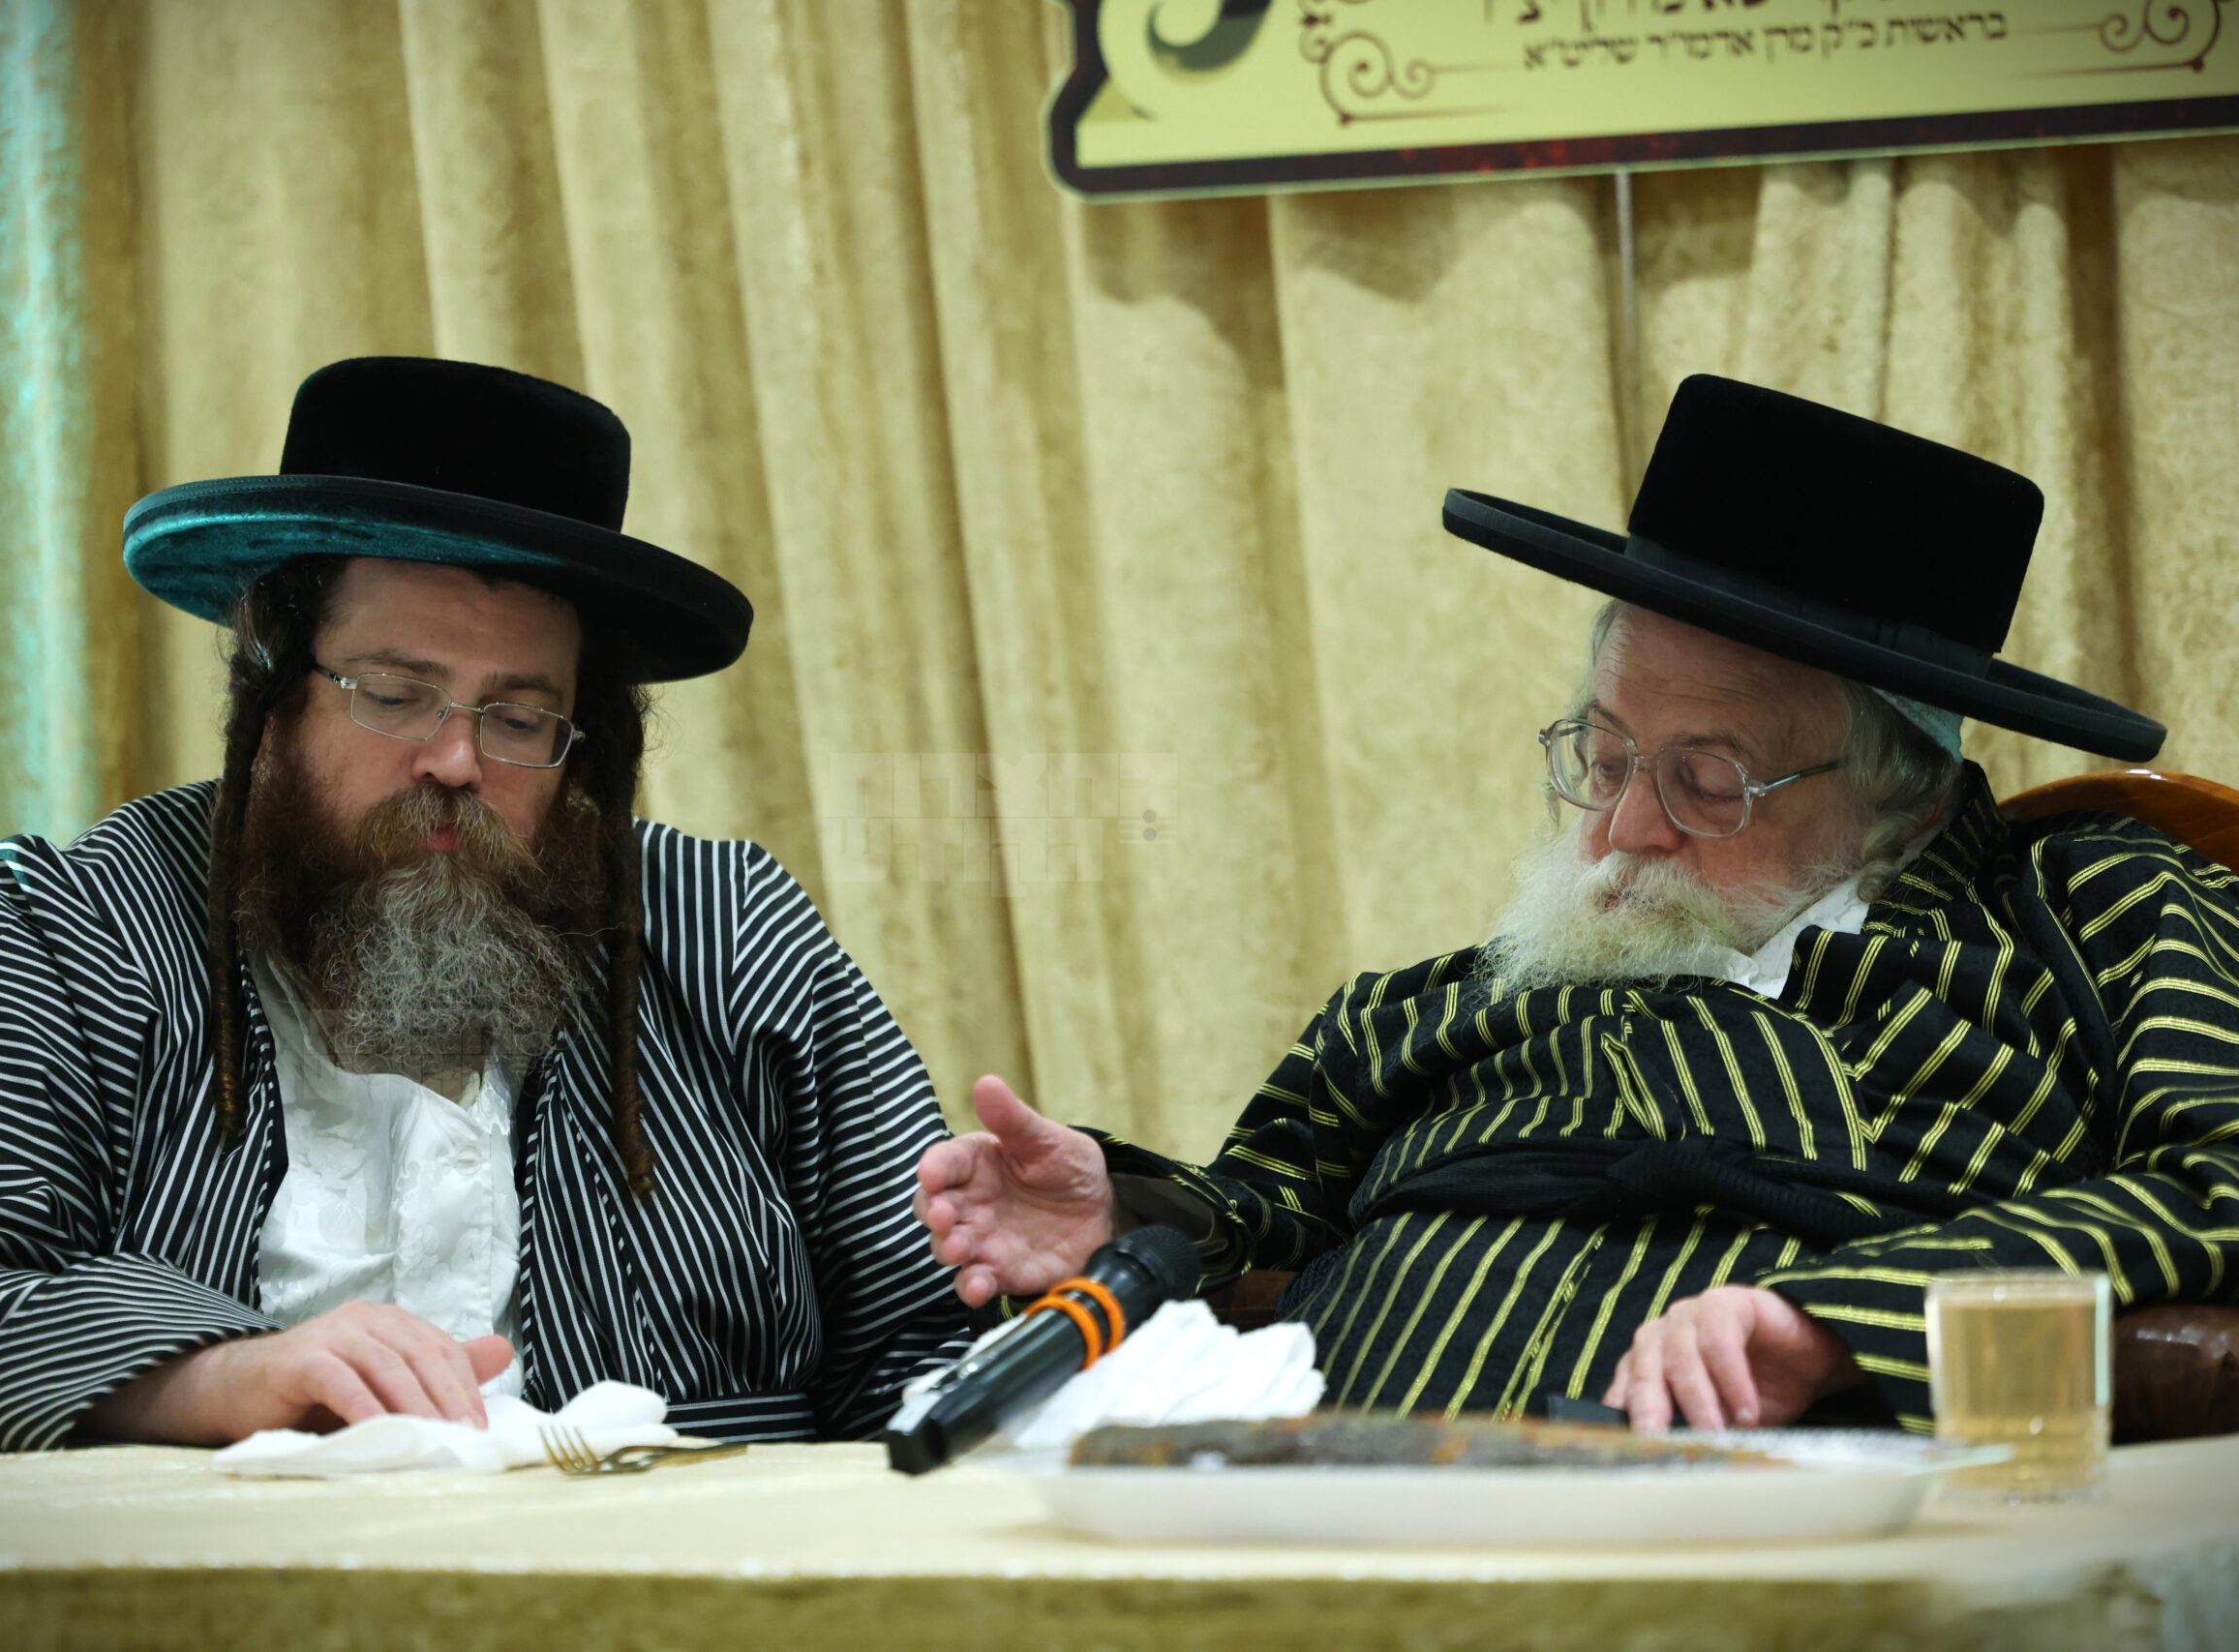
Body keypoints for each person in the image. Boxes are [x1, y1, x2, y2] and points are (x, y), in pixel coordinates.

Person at [916, 375, 2239, 1435]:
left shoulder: (2097, 908)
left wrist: (1848, 1319)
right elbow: (1256, 1217)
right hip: (1325, 1530)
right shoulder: (1421, 1008)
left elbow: (2221, 1183)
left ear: (1907, 795)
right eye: (1604, 758)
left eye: (1706, 782)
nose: (1621, 828)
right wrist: (1117, 1215)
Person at [0, 358, 972, 1452]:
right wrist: (222, 1375)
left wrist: (1048, 1289)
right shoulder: (82, 924)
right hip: (216, 1592)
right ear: (271, 693)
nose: (456, 761)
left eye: (518, 717)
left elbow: (930, 1346)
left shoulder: (732, 935)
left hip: (669, 1589)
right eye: (395, 694)